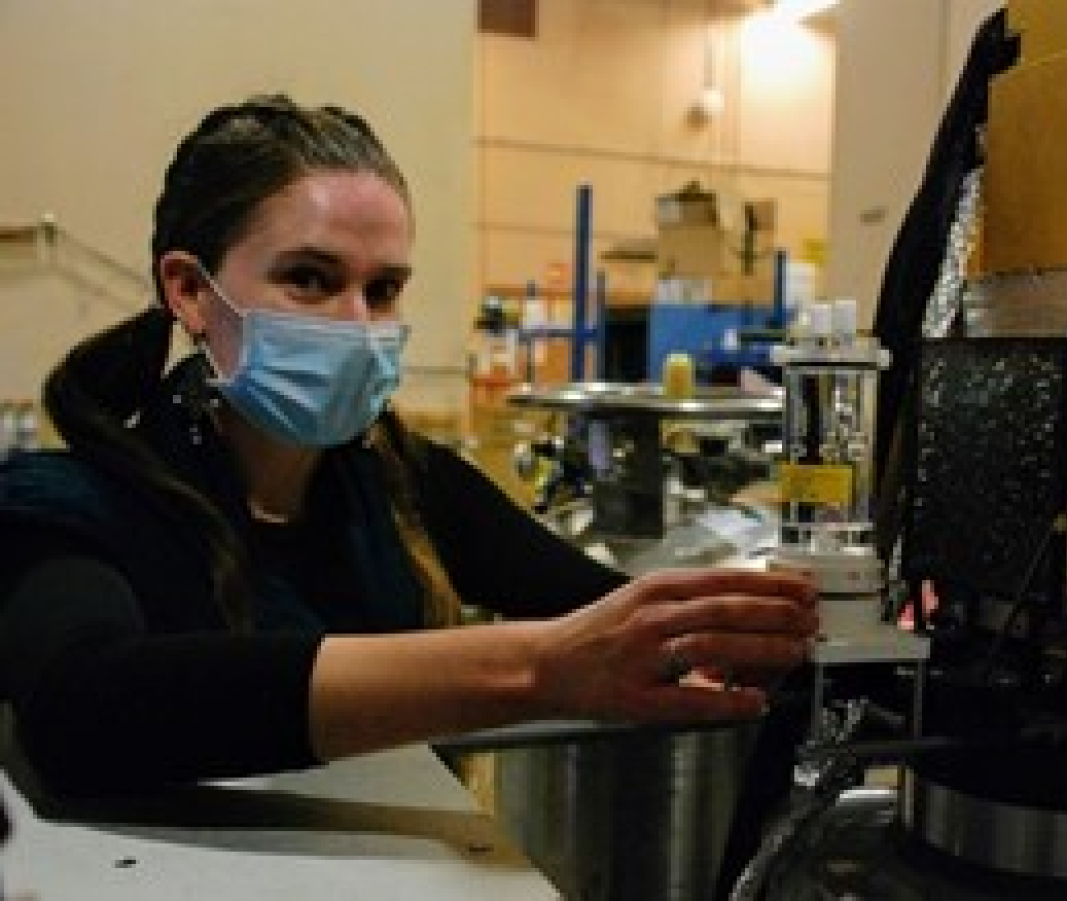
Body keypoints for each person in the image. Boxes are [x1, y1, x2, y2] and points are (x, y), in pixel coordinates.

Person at [0, 95, 817, 795]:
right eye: (311, 279)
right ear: (188, 290)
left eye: (383, 289)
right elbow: (82, 709)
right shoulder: (77, 504)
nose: (359, 325)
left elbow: (612, 618)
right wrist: (532, 668)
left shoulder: (408, 487)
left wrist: (765, 638)